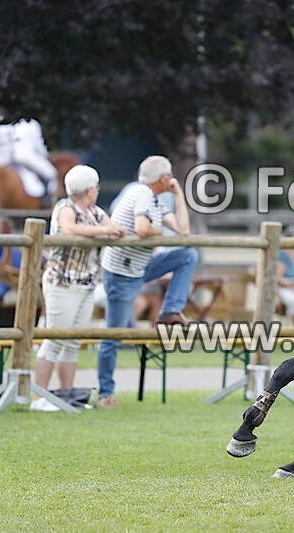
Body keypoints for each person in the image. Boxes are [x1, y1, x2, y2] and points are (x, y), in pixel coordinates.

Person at [97, 155, 197, 407]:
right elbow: (142, 229)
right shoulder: (141, 195)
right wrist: (158, 231)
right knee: (114, 334)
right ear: (163, 178)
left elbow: (183, 232)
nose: (173, 179)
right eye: (170, 175)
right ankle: (105, 394)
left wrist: (179, 196)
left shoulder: (152, 198)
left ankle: (171, 310)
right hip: (121, 274)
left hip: (139, 267)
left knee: (187, 254)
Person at [30, 165, 125, 412]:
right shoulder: (65, 207)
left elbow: (115, 227)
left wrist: (108, 229)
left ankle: (66, 396)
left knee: (73, 342)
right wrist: (104, 231)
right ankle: (38, 398)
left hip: (86, 283)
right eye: (95, 186)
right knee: (55, 338)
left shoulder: (95, 211)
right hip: (62, 281)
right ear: (88, 189)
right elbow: (70, 229)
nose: (97, 190)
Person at [0, 217, 23, 327]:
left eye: (8, 230)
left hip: (19, 286)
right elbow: (0, 271)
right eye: (3, 230)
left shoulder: (17, 251)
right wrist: (7, 247)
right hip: (1, 291)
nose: (6, 233)